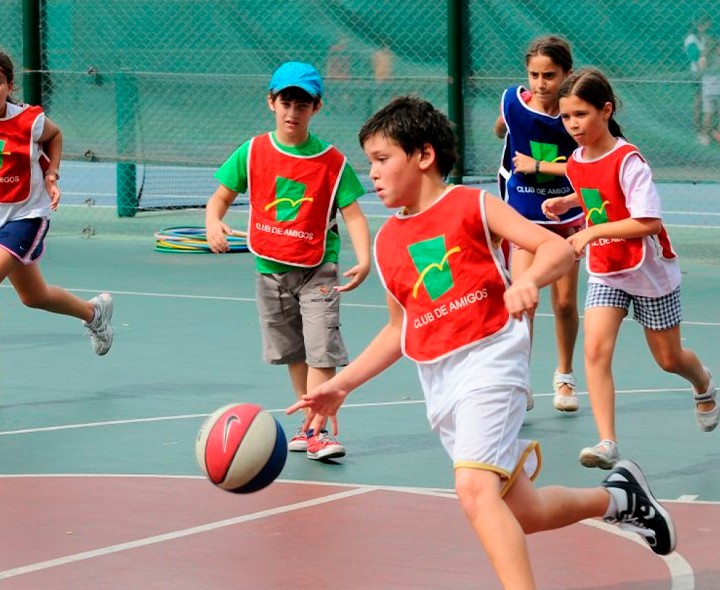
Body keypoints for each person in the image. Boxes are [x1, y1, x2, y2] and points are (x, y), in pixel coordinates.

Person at [287, 96, 676, 590]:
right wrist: (341, 385)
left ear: (424, 155)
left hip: (492, 361)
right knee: (526, 513)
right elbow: (398, 329)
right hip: (441, 385)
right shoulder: (387, 242)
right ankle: (622, 500)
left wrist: (530, 279)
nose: (373, 174)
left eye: (383, 160)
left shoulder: (472, 204)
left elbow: (555, 246)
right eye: (370, 164)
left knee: (473, 489)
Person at [542, 68, 719, 469]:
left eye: (581, 115)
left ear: (605, 110)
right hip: (607, 269)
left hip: (648, 273)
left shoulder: (629, 161)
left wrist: (591, 232)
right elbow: (593, 193)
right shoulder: (575, 160)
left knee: (669, 359)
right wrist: (569, 204)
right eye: (567, 117)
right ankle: (607, 442)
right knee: (594, 350)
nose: (573, 125)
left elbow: (648, 221)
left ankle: (703, 384)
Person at [205, 61, 371, 461]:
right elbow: (221, 196)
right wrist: (213, 220)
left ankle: (318, 430)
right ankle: (308, 423)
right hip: (270, 271)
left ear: (317, 107)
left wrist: (365, 258)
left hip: (319, 270)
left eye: (302, 104)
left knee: (321, 350)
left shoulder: (332, 162)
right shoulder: (254, 151)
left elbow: (352, 213)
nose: (292, 112)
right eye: (286, 102)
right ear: (271, 102)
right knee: (295, 352)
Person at [0, 48, 114, 405]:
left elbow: (55, 136)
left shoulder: (29, 122)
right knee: (33, 296)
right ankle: (93, 313)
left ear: (9, 86)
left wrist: (51, 173)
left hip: (27, 215)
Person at [494, 36, 583, 412]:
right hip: (523, 215)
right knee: (523, 300)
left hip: (564, 217)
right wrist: (504, 130)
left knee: (563, 302)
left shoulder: (576, 115)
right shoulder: (514, 102)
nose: (540, 83)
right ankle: (519, 382)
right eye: (534, 74)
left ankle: (564, 377)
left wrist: (539, 166)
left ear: (566, 74)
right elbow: (504, 124)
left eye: (549, 75)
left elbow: (594, 163)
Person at [684, 15, 712, 144]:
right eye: (700, 23)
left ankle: (709, 129)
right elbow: (694, 55)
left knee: (709, 102)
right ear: (696, 25)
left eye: (705, 23)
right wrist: (706, 54)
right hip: (697, 74)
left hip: (710, 74)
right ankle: (698, 130)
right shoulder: (691, 38)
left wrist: (707, 55)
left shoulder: (707, 38)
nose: (703, 26)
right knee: (699, 101)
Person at [700, 36, 720, 145]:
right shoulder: (717, 59)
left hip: (707, 89)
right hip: (718, 89)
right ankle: (716, 134)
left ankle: (705, 136)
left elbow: (701, 70)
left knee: (708, 114)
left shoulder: (703, 58)